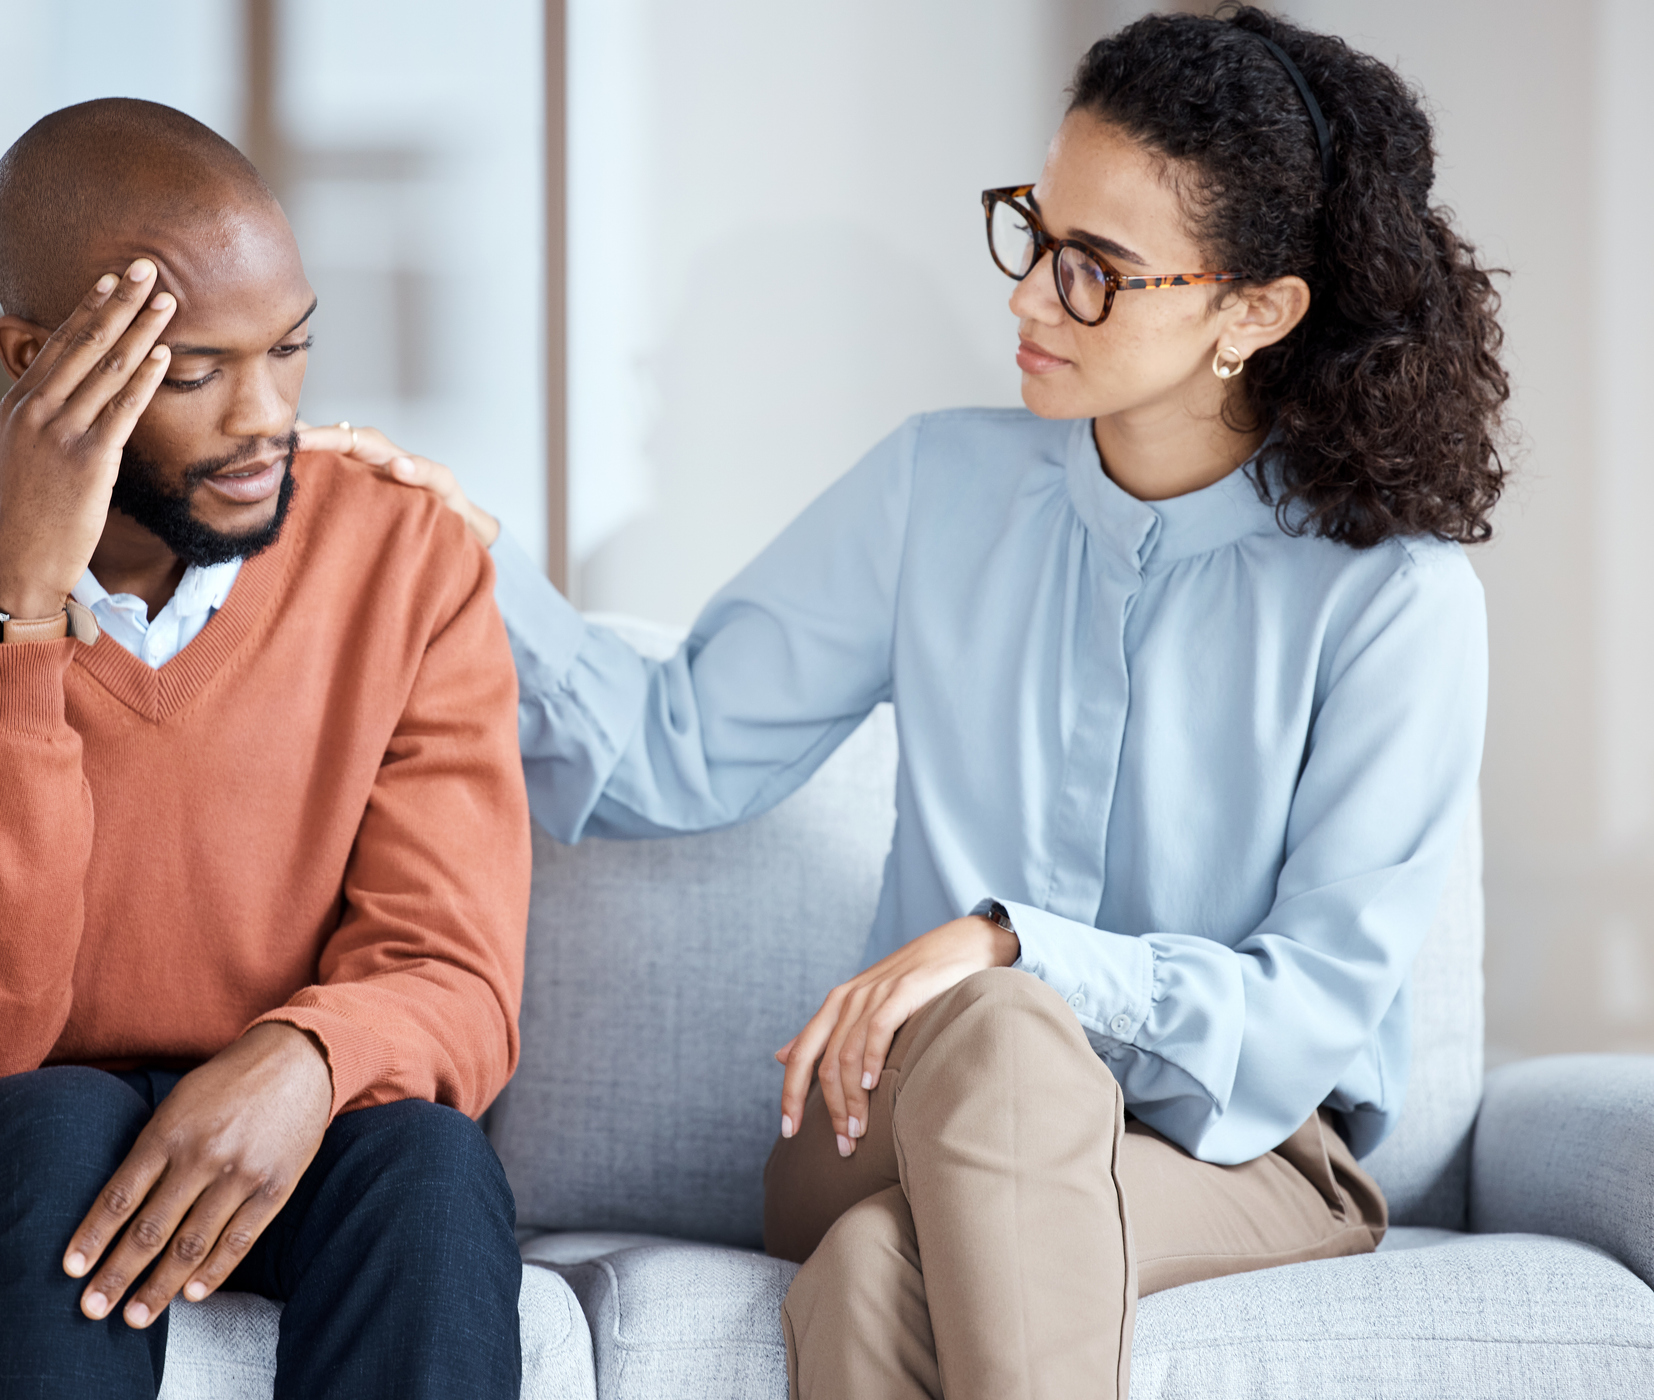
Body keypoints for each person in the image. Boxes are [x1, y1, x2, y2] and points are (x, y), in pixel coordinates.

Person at [315, 7, 1506, 1396]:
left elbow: (1308, 1010)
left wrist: (1016, 946)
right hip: (884, 1122)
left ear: (1255, 309)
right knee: (994, 1045)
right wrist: (459, 551)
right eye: (1032, 232)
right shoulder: (936, 490)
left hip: (1238, 1158)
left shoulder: (1390, 604)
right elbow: (673, 752)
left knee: (885, 1264)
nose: (1024, 298)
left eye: (1094, 273)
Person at [0, 98, 532, 1400]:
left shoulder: (407, 556)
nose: (266, 418)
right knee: (60, 1121)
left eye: (292, 350)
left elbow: (452, 972)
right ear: (37, 358)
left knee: (430, 1158)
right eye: (200, 372)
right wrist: (20, 610)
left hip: (256, 1121)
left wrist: (304, 1057)